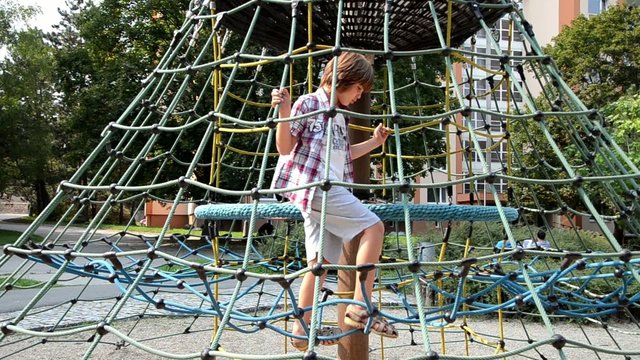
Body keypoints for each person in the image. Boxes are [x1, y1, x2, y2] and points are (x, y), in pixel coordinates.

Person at [271, 52, 397, 351]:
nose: (358, 96)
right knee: (374, 228)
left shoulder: (340, 116)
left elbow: (342, 156)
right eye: (358, 90)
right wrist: (285, 111)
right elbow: (285, 147)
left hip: (326, 191)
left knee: (319, 265)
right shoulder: (309, 104)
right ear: (346, 79)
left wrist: (375, 143)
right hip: (315, 190)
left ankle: (300, 333)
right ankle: (360, 305)